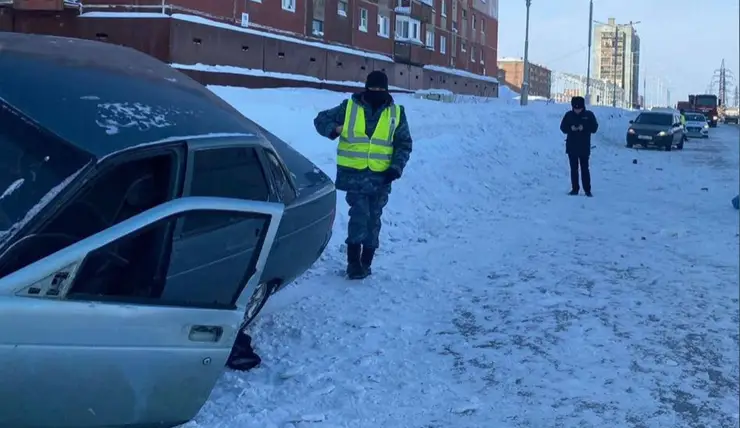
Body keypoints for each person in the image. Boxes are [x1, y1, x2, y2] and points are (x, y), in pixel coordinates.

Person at [313, 70, 413, 279]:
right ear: (366, 88)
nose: (377, 93)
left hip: (382, 176)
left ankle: (367, 261)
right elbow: (321, 120)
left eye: (381, 90)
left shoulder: (395, 113)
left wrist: (396, 167)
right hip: (354, 175)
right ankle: (353, 263)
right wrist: (334, 129)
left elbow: (403, 144)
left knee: (374, 218)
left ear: (386, 90)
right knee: (359, 216)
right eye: (373, 89)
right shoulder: (349, 107)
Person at [559, 96, 599, 197]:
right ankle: (575, 189)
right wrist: (570, 128)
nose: (577, 110)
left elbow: (594, 128)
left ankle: (587, 190)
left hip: (584, 147)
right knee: (574, 169)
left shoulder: (589, 115)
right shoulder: (568, 115)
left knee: (585, 169)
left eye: (579, 108)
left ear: (583, 107)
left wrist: (584, 127)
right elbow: (562, 127)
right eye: (575, 108)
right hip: (572, 147)